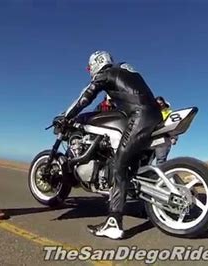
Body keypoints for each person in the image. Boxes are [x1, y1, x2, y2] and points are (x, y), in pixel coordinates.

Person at [53, 50, 162, 240]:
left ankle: (114, 223)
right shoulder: (126, 70)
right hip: (153, 115)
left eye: (90, 67)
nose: (90, 71)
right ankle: (144, 203)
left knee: (119, 165)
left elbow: (85, 97)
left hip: (139, 116)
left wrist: (66, 116)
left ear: (96, 63)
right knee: (131, 165)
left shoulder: (106, 74)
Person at [153, 96, 178, 164]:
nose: (159, 105)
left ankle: (163, 173)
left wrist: (174, 138)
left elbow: (173, 126)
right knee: (145, 161)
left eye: (161, 103)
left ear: (163, 103)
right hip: (152, 138)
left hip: (164, 137)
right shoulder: (152, 113)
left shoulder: (169, 112)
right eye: (157, 104)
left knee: (161, 160)